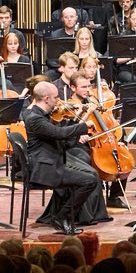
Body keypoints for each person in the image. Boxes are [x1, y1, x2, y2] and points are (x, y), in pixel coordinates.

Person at [20, 78, 105, 234]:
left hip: (52, 161)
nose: (58, 101)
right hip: (45, 168)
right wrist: (83, 126)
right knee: (89, 180)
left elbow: (58, 131)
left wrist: (75, 123)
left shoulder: (39, 114)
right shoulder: (35, 119)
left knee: (91, 173)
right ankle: (62, 216)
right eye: (55, 97)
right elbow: (59, 133)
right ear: (46, 98)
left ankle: (62, 215)